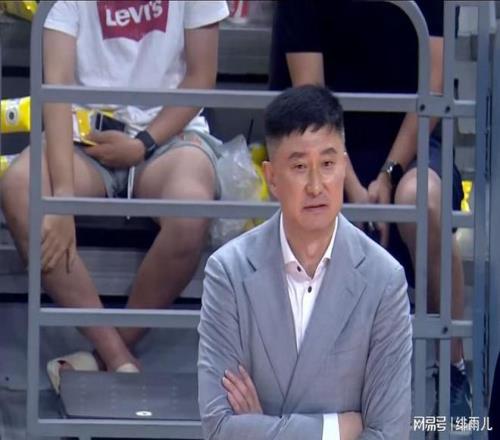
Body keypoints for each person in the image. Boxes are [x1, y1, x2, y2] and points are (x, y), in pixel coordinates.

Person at [0, 0, 228, 392]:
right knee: (20, 189)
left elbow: (201, 75)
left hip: (169, 137)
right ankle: (118, 358)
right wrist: (62, 199)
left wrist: (143, 142)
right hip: (83, 137)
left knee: (190, 210)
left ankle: (104, 358)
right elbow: (57, 89)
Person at [269, 0, 471, 418]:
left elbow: (434, 85)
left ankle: (455, 371)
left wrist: (388, 174)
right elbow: (309, 97)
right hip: (324, 144)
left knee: (422, 199)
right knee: (315, 192)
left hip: (413, 140)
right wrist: (349, 184)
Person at [198, 85, 412, 440]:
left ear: (343, 166)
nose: (316, 186)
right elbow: (219, 428)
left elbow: (389, 433)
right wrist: (336, 428)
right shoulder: (229, 272)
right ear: (272, 178)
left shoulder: (384, 280)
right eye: (299, 167)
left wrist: (261, 427)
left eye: (327, 164)